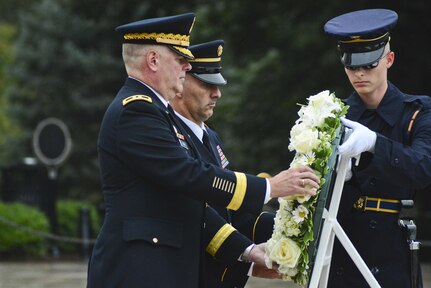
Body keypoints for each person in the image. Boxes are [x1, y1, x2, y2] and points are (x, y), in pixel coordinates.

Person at [87, 12, 320, 288]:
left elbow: (194, 203)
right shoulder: (136, 111)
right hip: (140, 270)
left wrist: (249, 252)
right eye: (180, 60)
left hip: (161, 267)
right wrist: (269, 187)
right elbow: (188, 175)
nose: (186, 69)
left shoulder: (154, 112)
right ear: (153, 60)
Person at [324, 9, 431, 288]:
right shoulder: (332, 118)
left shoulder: (417, 113)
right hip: (341, 250)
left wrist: (375, 144)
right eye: (351, 66)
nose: (359, 73)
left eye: (369, 64)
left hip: (391, 251)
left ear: (389, 59)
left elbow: (423, 167)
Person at [170, 39, 278, 287]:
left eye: (217, 85)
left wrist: (288, 226)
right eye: (207, 84)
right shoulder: (169, 136)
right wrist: (249, 252)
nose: (217, 93)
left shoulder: (209, 134)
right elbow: (198, 211)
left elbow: (231, 209)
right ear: (180, 83)